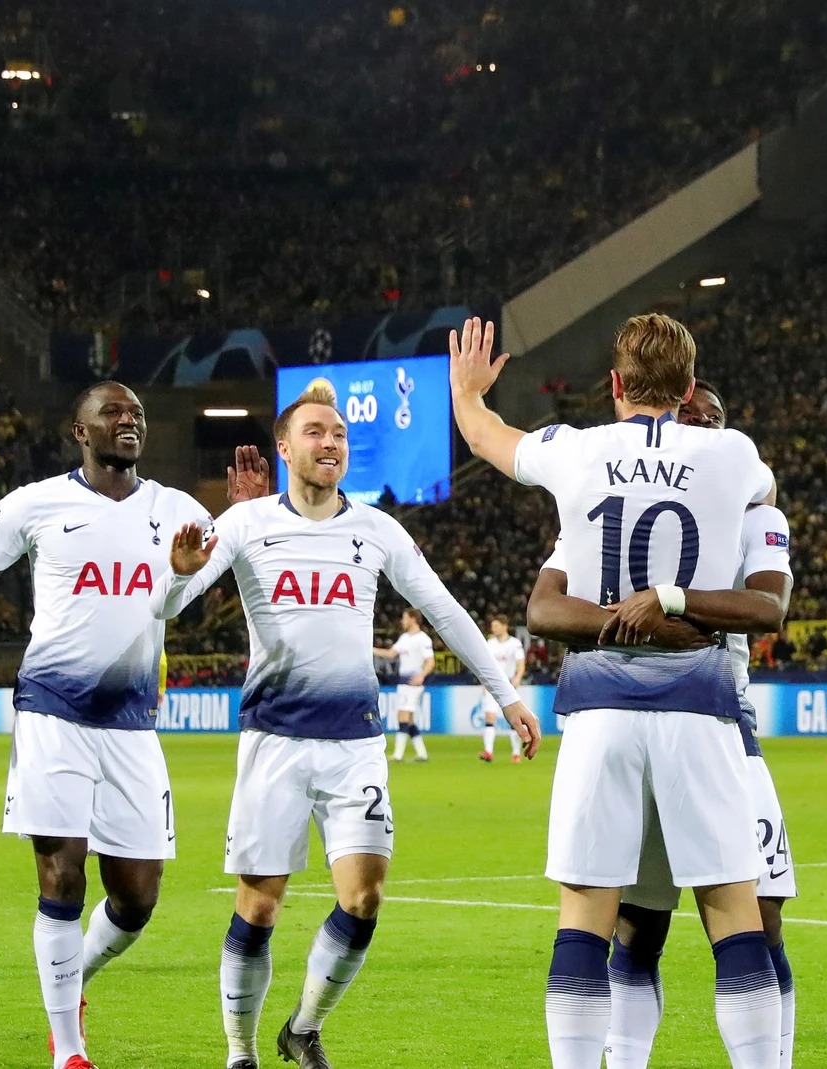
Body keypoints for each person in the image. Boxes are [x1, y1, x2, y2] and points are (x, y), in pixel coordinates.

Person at [153, 379, 539, 1069]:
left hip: (356, 743)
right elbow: (173, 605)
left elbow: (446, 609)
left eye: (338, 433)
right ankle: (240, 1052)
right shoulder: (243, 523)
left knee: (363, 897)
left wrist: (505, 694)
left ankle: (302, 1027)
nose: (330, 442)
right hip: (273, 739)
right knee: (260, 907)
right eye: (315, 432)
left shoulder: (377, 529)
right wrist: (178, 574)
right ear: (283, 447)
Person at [450, 313, 784, 1069]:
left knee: (586, 916)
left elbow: (483, 436)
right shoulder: (733, 453)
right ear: (691, 388)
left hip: (600, 710)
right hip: (702, 705)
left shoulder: (578, 450)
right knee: (733, 913)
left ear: (613, 385)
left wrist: (468, 392)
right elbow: (766, 494)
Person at [0, 382, 213, 1069]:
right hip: (51, 711)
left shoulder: (178, 510)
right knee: (61, 874)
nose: (127, 420)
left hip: (133, 721)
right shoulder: (34, 503)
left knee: (136, 897)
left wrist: (237, 524)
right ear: (79, 431)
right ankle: (69, 1053)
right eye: (111, 412)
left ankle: (69, 979)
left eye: (135, 412)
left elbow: (178, 600)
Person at [528, 379, 800, 1069]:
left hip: (726, 730)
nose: (695, 428)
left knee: (760, 917)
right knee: (638, 926)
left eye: (710, 420)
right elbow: (549, 603)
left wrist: (673, 603)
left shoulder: (755, 517)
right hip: (643, 719)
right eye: (686, 417)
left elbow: (769, 605)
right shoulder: (618, 505)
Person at [375, 609, 434, 762]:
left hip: (412, 683)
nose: (402, 621)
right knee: (409, 719)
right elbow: (391, 654)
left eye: (404, 617)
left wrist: (422, 675)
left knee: (402, 715)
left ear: (413, 619)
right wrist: (370, 649)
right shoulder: (405, 638)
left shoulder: (423, 639)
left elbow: (430, 661)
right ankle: (422, 754)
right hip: (403, 682)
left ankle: (398, 754)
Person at [480, 616, 529, 762]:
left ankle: (516, 754)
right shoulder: (489, 643)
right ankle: (488, 752)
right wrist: (483, 682)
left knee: (513, 719)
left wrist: (518, 677)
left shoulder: (515, 644)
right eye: (492, 626)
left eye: (496, 626)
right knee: (490, 717)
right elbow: (484, 664)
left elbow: (521, 663)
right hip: (492, 685)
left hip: (508, 685)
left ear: (505, 626)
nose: (493, 628)